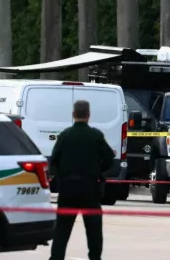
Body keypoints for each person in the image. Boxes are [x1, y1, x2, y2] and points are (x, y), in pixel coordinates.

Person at [49, 99, 116, 260]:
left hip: (67, 189)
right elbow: (109, 158)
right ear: (88, 115)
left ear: (73, 115)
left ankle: (56, 258)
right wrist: (98, 171)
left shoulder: (65, 135)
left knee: (62, 230)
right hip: (89, 188)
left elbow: (54, 160)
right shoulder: (95, 135)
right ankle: (94, 257)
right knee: (93, 229)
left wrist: (60, 176)